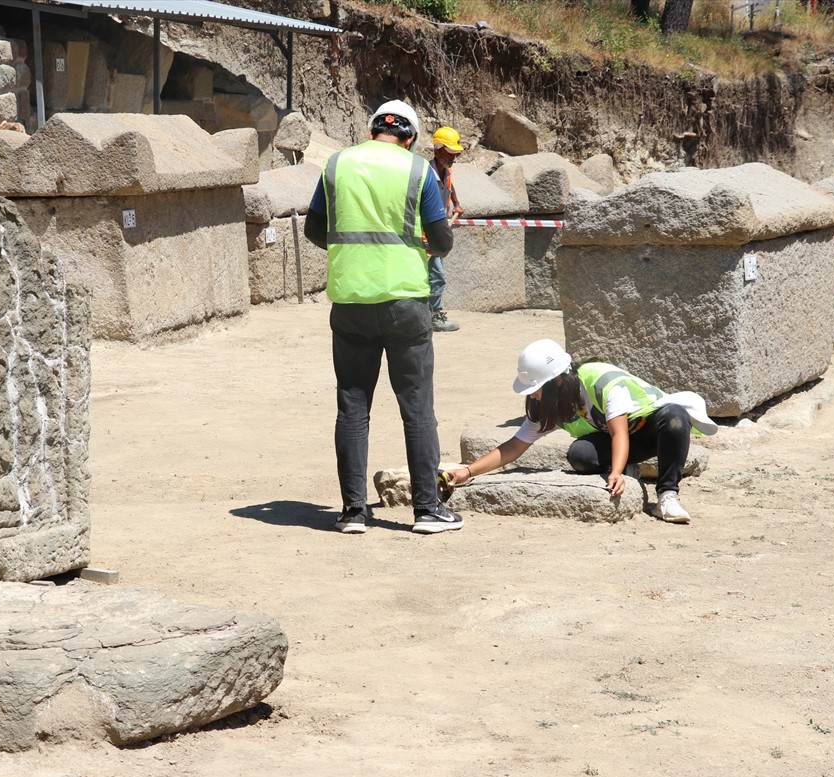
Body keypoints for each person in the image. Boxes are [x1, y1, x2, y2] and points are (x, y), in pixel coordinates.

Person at [304, 99, 464, 535]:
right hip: (406, 303)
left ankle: (354, 512)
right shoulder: (418, 171)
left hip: (351, 300)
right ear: (410, 137)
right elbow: (441, 239)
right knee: (416, 408)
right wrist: (424, 244)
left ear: (373, 129)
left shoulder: (336, 164)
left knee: (353, 406)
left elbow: (315, 230)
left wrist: (353, 254)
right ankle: (427, 510)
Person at [447, 339, 718, 523]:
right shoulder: (554, 402)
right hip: (619, 440)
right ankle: (629, 470)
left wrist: (613, 471)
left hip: (649, 429)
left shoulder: (601, 381)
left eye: (537, 388)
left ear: (558, 380)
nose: (535, 396)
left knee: (674, 418)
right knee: (580, 455)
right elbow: (514, 446)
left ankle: (667, 496)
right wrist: (468, 471)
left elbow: (620, 433)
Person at [427, 126, 465, 333]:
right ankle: (433, 317)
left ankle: (431, 315)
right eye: (449, 153)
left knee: (434, 275)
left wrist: (456, 202)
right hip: (428, 233)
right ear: (437, 149)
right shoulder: (427, 173)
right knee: (436, 275)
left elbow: (449, 185)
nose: (453, 157)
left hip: (439, 229)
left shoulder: (446, 171)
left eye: (455, 153)